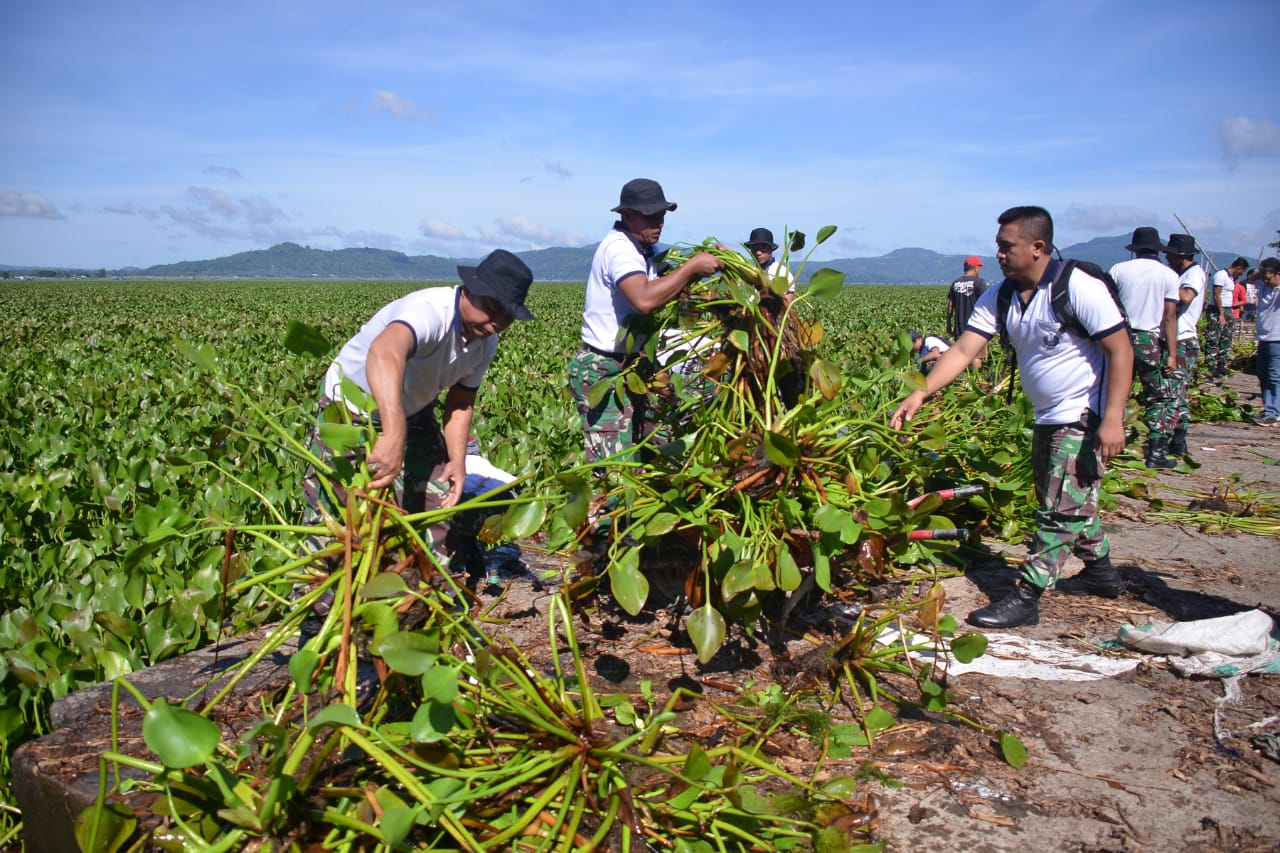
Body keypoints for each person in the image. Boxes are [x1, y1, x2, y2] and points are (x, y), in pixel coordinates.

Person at [891, 206, 1133, 629]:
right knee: (1062, 495)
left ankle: (1025, 596)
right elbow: (963, 351)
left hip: (1082, 413)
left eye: (1007, 247)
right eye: (999, 247)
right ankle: (1102, 572)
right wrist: (921, 392)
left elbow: (1120, 350)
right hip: (1046, 415)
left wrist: (1113, 418)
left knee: (1058, 508)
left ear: (1038, 247)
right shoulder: (1000, 295)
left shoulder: (1077, 286)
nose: (999, 255)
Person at [302, 249, 535, 572]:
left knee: (438, 501)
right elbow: (384, 353)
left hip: (414, 410)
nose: (496, 321)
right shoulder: (428, 312)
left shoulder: (486, 342)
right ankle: (316, 608)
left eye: (506, 315)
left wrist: (457, 461)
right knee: (332, 510)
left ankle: (428, 590)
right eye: (492, 308)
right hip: (352, 407)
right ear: (469, 290)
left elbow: (460, 402)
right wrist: (394, 435)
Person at [568, 178, 722, 467]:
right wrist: (691, 268)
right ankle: (607, 512)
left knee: (650, 451)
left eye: (661, 216)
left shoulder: (640, 250)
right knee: (614, 470)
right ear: (626, 215)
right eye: (650, 216)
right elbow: (644, 300)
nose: (659, 223)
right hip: (604, 368)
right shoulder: (620, 249)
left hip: (633, 364)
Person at [1110, 226, 1179, 468]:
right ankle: (1156, 452)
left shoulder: (1118, 269)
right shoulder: (1168, 275)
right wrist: (1172, 354)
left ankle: (1110, 446)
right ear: (1157, 249)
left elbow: (1108, 307)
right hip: (1149, 339)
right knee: (1158, 396)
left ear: (1135, 249)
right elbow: (1169, 317)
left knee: (1116, 393)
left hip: (1119, 338)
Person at [1164, 234, 1207, 457]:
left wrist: (1165, 283)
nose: (1167, 258)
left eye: (1170, 254)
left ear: (1181, 255)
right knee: (1172, 390)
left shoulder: (1194, 274)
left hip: (1183, 340)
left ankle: (1178, 438)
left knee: (1176, 392)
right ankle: (1174, 437)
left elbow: (1187, 296)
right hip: (1176, 339)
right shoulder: (1182, 273)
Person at [1204, 257, 1248, 378]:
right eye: (1241, 271)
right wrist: (1221, 314)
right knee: (1214, 338)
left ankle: (1221, 365)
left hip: (1228, 309)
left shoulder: (1230, 278)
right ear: (1238, 268)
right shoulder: (1221, 275)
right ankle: (1210, 367)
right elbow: (1217, 296)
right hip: (1217, 309)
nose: (1241, 274)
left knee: (1226, 338)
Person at [946, 255, 989, 369]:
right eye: (979, 268)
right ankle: (974, 381)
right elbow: (985, 303)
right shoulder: (979, 282)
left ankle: (964, 380)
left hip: (959, 327)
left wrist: (949, 323)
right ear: (976, 269)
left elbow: (950, 305)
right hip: (976, 326)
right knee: (977, 356)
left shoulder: (955, 283)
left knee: (962, 356)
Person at [1252, 257, 1280, 426]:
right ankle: (1269, 407)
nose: (1264, 280)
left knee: (1274, 375)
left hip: (1277, 338)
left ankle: (1274, 412)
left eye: (1268, 277)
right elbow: (1251, 278)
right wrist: (1263, 272)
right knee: (1263, 374)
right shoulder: (1263, 286)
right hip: (1264, 337)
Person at [744, 227, 795, 297]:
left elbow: (787, 304)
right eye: (754, 248)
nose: (758, 253)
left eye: (763, 248)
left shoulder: (782, 273)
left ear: (771, 249)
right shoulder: (749, 274)